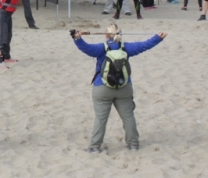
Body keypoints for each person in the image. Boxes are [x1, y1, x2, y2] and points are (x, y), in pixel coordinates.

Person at [71, 24, 166, 153]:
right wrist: (157, 38)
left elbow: (86, 48)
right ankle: (133, 144)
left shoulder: (101, 48)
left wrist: (77, 39)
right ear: (119, 35)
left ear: (106, 35)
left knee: (101, 118)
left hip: (102, 87)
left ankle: (94, 146)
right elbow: (144, 45)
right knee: (128, 116)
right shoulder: (126, 48)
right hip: (124, 87)